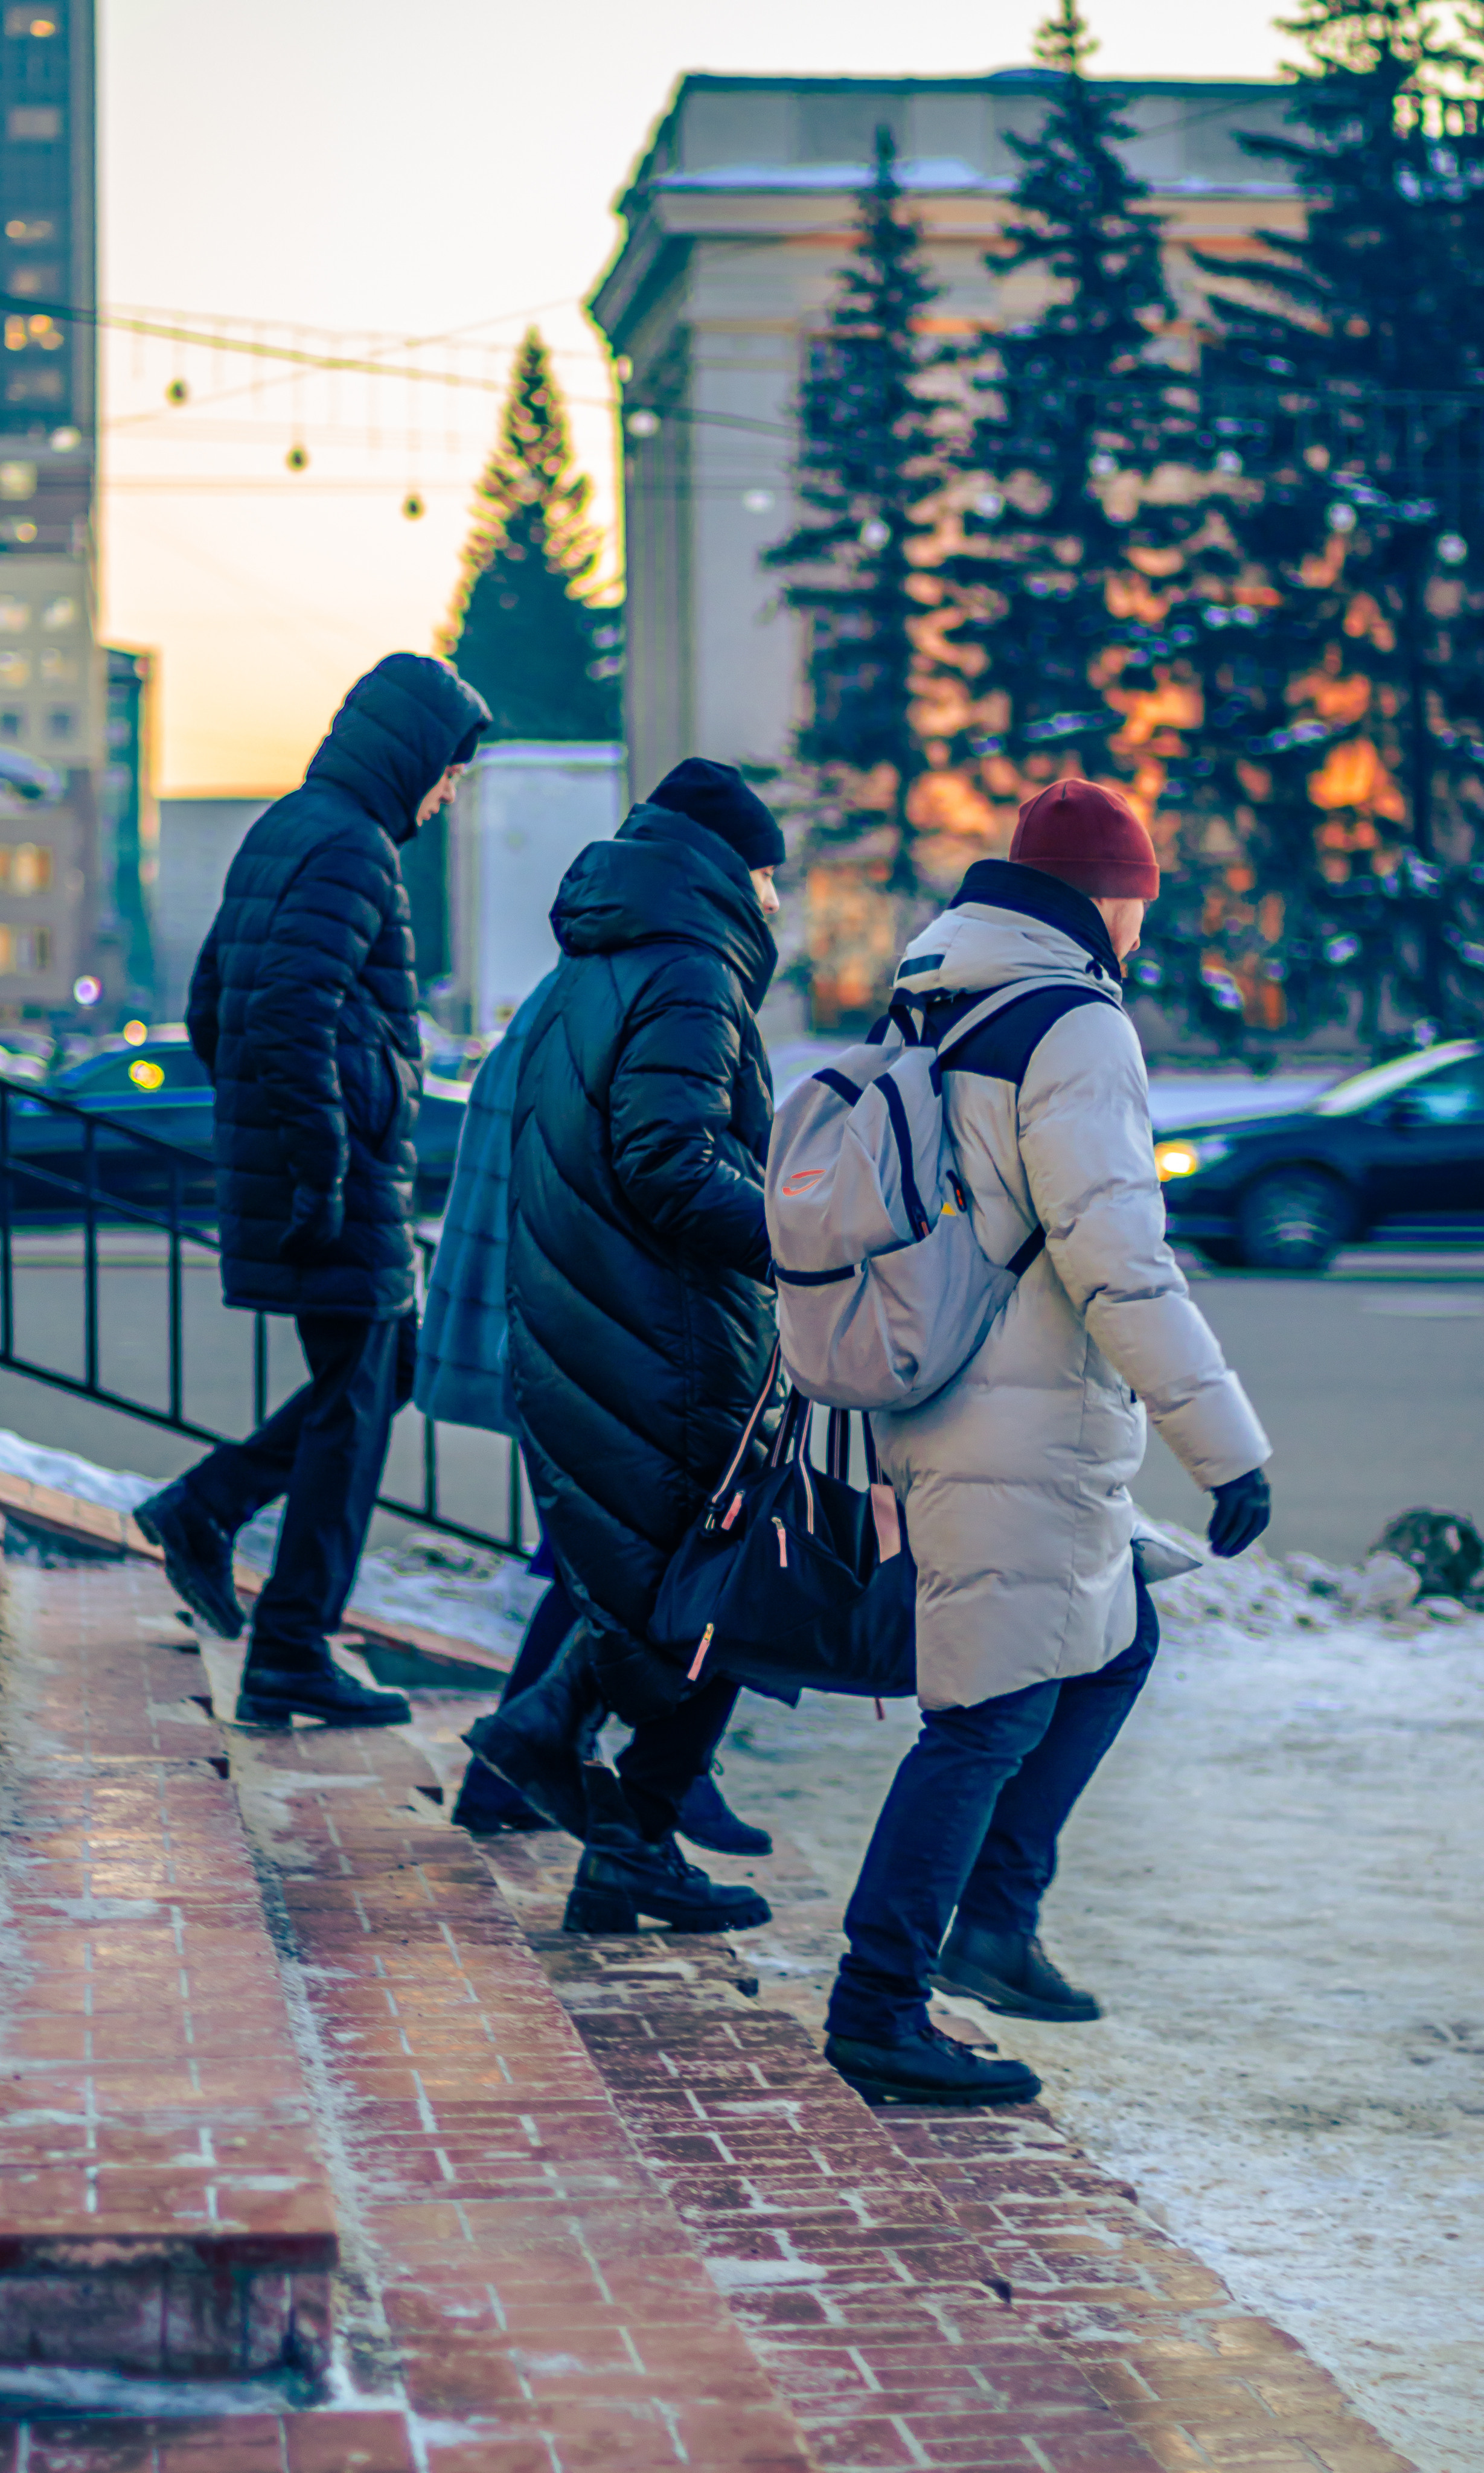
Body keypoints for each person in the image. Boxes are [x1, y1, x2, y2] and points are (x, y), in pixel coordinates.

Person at [822, 778, 1273, 2108]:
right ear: (1106, 895)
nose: (1144, 920)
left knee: (1115, 1635)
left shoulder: (931, 991)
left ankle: (996, 1923)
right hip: (1010, 1405)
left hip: (935, 1376)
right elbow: (1115, 1254)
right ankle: (877, 2001)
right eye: (1138, 894)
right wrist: (1224, 1443)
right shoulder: (1073, 1022)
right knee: (987, 1707)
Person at [136, 652, 491, 1728]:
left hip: (310, 1173)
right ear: (414, 755)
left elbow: (213, 1007)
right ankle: (290, 1642)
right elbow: (286, 1011)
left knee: (380, 1382)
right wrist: (347, 1135)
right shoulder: (352, 848)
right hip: (334, 1184)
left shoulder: (289, 828)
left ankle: (207, 1509)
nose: (450, 793)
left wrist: (292, 1121)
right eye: (450, 772)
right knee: (357, 1412)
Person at [467, 758, 785, 1933]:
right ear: (729, 868)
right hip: (662, 1337)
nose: (772, 901)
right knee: (722, 1594)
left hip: (585, 1322)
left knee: (657, 1589)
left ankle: (577, 1781)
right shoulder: (691, 971)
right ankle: (621, 1823)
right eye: (767, 874)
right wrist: (800, 1234)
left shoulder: (583, 970)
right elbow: (669, 1162)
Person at [415, 969, 773, 1857]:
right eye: (765, 878)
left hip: (571, 1335)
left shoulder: (573, 1001)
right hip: (596, 1342)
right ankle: (632, 1783)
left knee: (608, 1567)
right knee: (673, 1560)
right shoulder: (646, 1001)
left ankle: (523, 1773)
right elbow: (660, 1174)